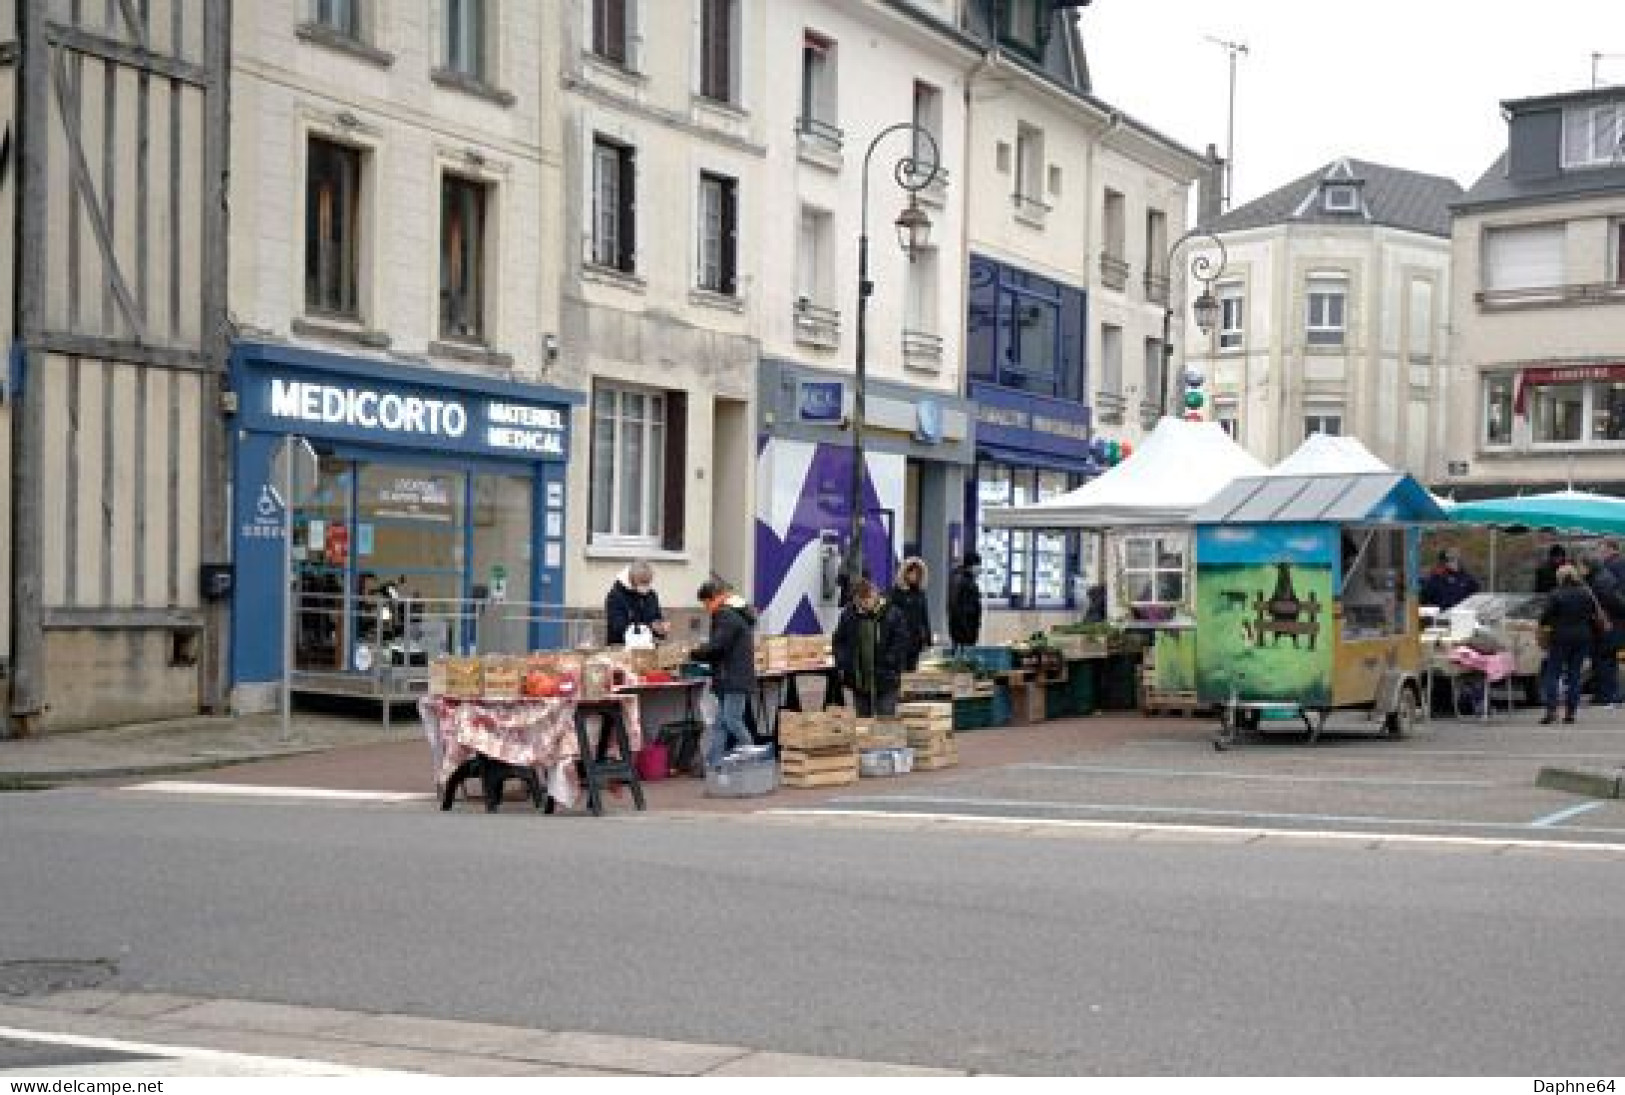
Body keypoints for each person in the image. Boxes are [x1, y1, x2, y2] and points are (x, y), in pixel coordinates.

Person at [690, 578, 758, 771]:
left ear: (712, 598)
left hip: (732, 676)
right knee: (721, 723)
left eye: (705, 603)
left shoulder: (724, 615)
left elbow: (718, 646)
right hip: (733, 675)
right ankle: (713, 762)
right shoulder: (735, 612)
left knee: (732, 720)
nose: (705, 608)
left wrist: (694, 653)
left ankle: (753, 757)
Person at [833, 576, 910, 717]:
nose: (864, 603)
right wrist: (843, 662)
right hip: (859, 680)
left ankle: (886, 739)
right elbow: (839, 641)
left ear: (875, 595)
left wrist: (890, 661)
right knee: (863, 722)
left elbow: (901, 641)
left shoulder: (893, 613)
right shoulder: (848, 615)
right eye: (860, 600)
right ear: (855, 599)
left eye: (867, 598)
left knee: (885, 720)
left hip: (886, 678)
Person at [1538, 564, 1595, 725]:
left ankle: (1551, 711)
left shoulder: (1555, 594)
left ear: (1560, 577)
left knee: (1552, 674)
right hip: (1582, 636)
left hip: (1560, 637)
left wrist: (1547, 625)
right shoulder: (1586, 593)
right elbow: (1592, 613)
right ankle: (1570, 714)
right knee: (1575, 675)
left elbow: (1544, 616)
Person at [1582, 555, 1625, 709]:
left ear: (1589, 566)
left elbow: (1616, 603)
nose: (1581, 570)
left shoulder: (1601, 581)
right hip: (1609, 627)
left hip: (1608, 627)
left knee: (1605, 661)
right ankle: (1604, 695)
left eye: (1583, 567)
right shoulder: (1601, 578)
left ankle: (1608, 696)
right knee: (1604, 661)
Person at [604, 560, 670, 646]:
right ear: (631, 580)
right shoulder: (615, 596)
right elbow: (618, 627)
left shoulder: (651, 595)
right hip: (621, 647)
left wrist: (662, 628)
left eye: (648, 582)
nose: (646, 586)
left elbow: (657, 618)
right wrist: (650, 626)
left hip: (647, 647)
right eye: (643, 582)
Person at [890, 557, 932, 671]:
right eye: (911, 572)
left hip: (915, 640)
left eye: (917, 573)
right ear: (905, 573)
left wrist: (928, 638)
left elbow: (924, 616)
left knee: (912, 669)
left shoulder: (920, 593)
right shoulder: (896, 593)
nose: (914, 576)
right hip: (900, 640)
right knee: (900, 670)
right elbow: (890, 617)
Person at [947, 551, 984, 654]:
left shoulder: (968, 580)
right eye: (978, 565)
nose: (979, 568)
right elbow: (955, 606)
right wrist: (965, 629)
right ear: (971, 565)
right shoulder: (960, 580)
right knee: (962, 662)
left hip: (968, 627)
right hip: (962, 629)